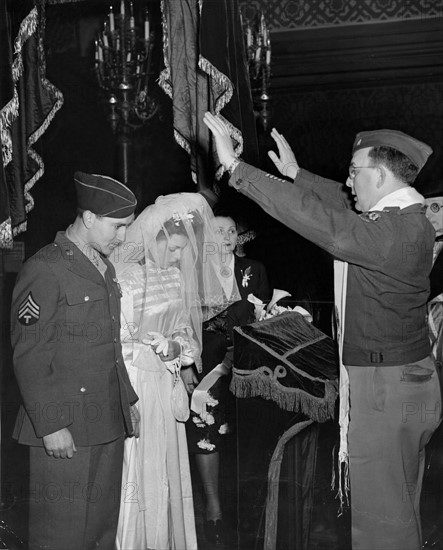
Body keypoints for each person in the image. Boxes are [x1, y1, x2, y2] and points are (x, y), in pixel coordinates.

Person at [203, 111, 441, 550]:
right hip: (410, 381)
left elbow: (328, 223)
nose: (348, 182)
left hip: (382, 391)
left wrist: (237, 170)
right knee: (401, 502)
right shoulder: (412, 218)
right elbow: (342, 205)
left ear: (383, 174)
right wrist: (296, 174)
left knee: (381, 523)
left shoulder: (388, 234)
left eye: (354, 172)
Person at [10, 172, 139, 550]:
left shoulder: (104, 268)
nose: (122, 237)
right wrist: (50, 424)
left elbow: (109, 349)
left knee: (99, 535)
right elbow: (29, 355)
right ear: (88, 218)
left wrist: (126, 402)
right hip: (63, 428)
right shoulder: (45, 268)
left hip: (105, 424)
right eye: (117, 227)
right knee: (61, 537)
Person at [111, 193, 236, 550]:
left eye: (183, 249)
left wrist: (176, 349)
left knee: (165, 464)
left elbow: (186, 335)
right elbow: (115, 339)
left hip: (165, 382)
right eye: (174, 248)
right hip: (137, 379)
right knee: (138, 464)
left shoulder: (176, 281)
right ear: (153, 240)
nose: (179, 256)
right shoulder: (126, 280)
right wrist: (148, 349)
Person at [181, 211, 270, 545]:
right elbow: (184, 324)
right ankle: (213, 509)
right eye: (218, 231)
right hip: (207, 365)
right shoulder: (191, 272)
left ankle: (248, 510)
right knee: (206, 431)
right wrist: (187, 364)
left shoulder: (253, 270)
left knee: (244, 437)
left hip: (247, 368)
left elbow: (262, 320)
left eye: (232, 231)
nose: (227, 236)